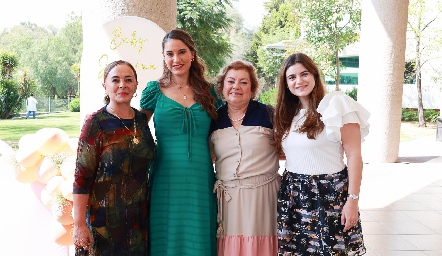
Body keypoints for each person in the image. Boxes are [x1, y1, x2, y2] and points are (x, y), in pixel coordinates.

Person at [273, 53, 369, 255]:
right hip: (293, 195)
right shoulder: (286, 114)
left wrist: (353, 200)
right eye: (292, 77)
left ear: (315, 76)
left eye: (304, 74)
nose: (299, 81)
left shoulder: (337, 105)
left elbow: (354, 156)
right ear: (286, 83)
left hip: (329, 194)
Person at [139, 29, 220, 256]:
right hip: (166, 177)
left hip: (200, 178)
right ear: (164, 57)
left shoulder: (210, 92)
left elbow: (223, 131)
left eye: (182, 52)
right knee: (167, 235)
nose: (177, 59)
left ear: (192, 54)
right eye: (170, 54)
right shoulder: (154, 91)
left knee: (199, 235)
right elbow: (136, 132)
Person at [73, 60, 156, 255]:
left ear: (136, 85)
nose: (122, 85)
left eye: (128, 80)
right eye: (115, 80)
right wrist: (78, 225)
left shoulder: (141, 121)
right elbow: (81, 179)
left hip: (138, 220)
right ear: (105, 86)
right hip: (103, 221)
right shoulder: (96, 123)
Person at [209, 60, 280, 256]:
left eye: (243, 82)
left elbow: (285, 150)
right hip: (229, 200)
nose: (236, 87)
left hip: (263, 197)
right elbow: (210, 155)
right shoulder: (213, 119)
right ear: (222, 87)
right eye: (231, 81)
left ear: (252, 87)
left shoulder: (269, 114)